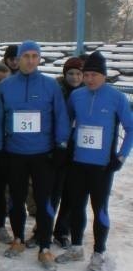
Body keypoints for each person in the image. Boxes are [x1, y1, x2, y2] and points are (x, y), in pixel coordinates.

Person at [0, 40, 70, 271]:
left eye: (34, 56)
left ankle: (44, 247)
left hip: (42, 155)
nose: (29, 60)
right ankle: (18, 239)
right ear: (17, 59)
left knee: (44, 202)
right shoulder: (5, 86)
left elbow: (61, 116)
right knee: (16, 200)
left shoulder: (50, 86)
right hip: (14, 154)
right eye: (25, 56)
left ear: (39, 59)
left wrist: (61, 145)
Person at [55, 51, 133, 271]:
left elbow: (130, 128)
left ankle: (99, 251)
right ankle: (77, 246)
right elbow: (66, 121)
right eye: (85, 74)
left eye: (93, 75)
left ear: (104, 76)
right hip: (78, 162)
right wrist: (63, 145)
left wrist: (121, 156)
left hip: (102, 166)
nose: (89, 79)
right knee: (77, 207)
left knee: (100, 210)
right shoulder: (77, 96)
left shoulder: (116, 97)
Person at [50, 57, 85, 249]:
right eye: (71, 73)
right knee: (52, 192)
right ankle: (43, 229)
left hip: (78, 149)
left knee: (71, 193)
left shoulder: (87, 93)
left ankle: (62, 230)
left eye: (79, 73)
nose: (74, 77)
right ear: (64, 74)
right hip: (57, 148)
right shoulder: (56, 90)